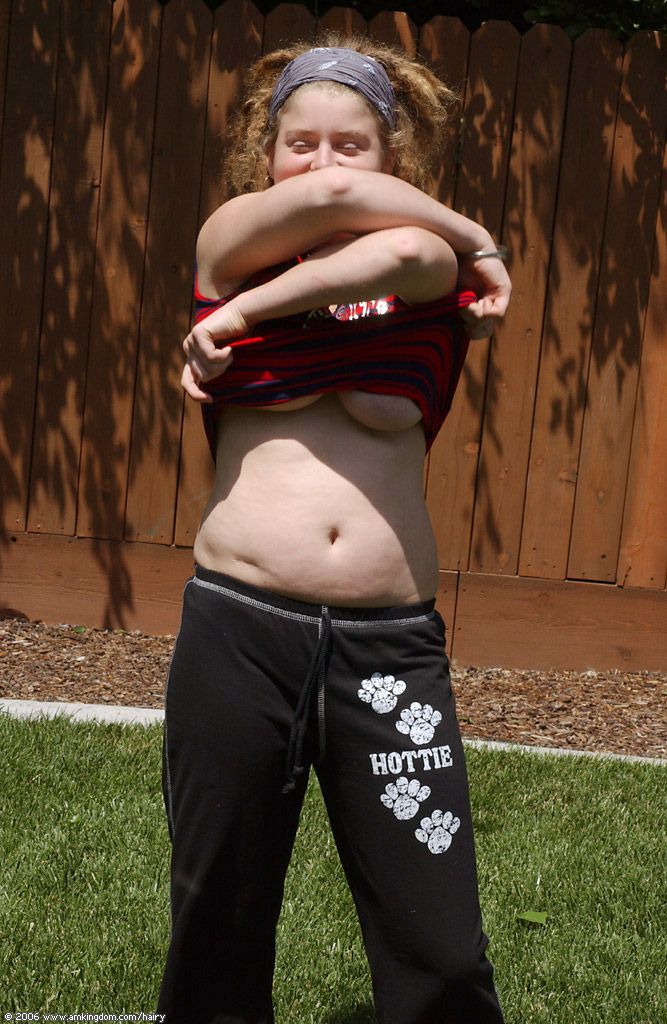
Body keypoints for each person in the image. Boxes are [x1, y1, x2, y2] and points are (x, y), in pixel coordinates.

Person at [158, 35, 510, 1024]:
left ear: (395, 158)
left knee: (440, 948)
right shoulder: (229, 249)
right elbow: (327, 206)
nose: (320, 165)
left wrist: (237, 324)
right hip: (239, 634)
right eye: (298, 142)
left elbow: (400, 248)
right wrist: (480, 238)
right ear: (263, 154)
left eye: (349, 144)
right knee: (217, 927)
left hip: (386, 649)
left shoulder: (429, 264)